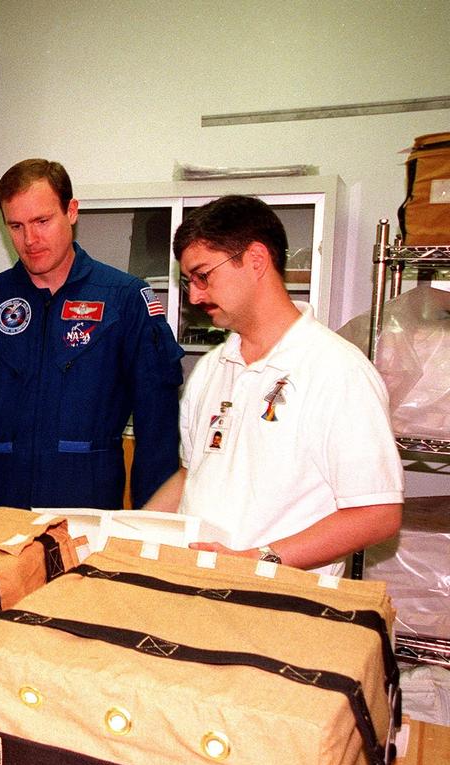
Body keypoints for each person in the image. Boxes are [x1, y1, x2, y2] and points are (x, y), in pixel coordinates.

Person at [144, 194, 403, 574]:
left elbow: (377, 513)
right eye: (189, 281)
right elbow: (191, 475)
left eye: (203, 276)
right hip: (201, 588)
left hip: (281, 602)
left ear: (256, 260)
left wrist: (257, 561)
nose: (195, 295)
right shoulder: (213, 367)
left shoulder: (336, 370)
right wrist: (127, 536)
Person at [0, 159, 184, 510]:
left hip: (87, 508)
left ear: (71, 211)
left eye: (41, 221)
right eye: (16, 226)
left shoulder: (122, 299)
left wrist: (150, 529)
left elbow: (157, 431)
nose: (30, 239)